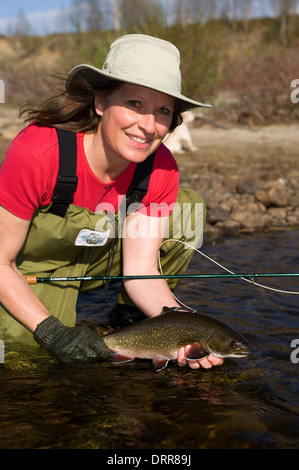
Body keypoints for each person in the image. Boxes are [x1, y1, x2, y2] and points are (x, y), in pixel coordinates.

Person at [0, 34, 223, 370]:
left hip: (97, 260)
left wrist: (187, 327)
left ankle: (132, 325)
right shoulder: (38, 152)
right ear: (100, 103)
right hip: (28, 269)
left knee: (186, 208)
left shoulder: (161, 168)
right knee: (29, 359)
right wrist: (52, 332)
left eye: (163, 111)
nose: (148, 126)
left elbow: (141, 271)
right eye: (135, 104)